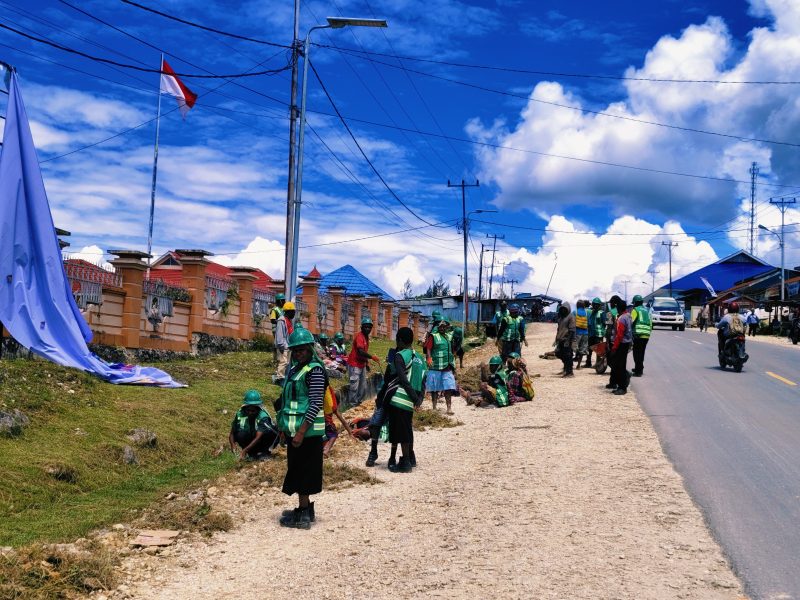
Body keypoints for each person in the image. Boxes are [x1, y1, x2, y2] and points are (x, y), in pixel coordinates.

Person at [276, 328, 327, 529]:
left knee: (304, 473)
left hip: (307, 433)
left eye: (302, 350)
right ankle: (304, 509)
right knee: (297, 470)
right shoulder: (296, 369)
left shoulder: (314, 370)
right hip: (294, 431)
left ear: (310, 349)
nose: (298, 354)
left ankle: (303, 515)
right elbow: (288, 402)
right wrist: (283, 429)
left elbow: (315, 404)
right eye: (295, 351)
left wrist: (300, 432)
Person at [385, 327, 426, 473]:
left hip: (399, 398)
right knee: (407, 429)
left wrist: (414, 398)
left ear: (400, 340)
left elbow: (402, 380)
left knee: (401, 432)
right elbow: (423, 380)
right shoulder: (420, 358)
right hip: (410, 401)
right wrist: (418, 399)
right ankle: (411, 457)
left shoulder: (400, 356)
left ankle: (406, 462)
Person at [229, 390, 279, 460]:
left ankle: (264, 453)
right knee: (240, 434)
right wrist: (233, 445)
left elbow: (258, 438)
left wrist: (245, 451)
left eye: (253, 411)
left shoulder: (263, 417)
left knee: (270, 433)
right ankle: (251, 453)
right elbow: (232, 433)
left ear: (258, 409)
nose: (250, 413)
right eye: (248, 410)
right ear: (245, 407)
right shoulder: (240, 414)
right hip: (251, 437)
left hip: (262, 439)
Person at [424, 317, 457, 414]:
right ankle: (434, 408)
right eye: (440, 326)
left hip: (447, 367)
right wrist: (429, 358)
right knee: (434, 388)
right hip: (435, 366)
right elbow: (428, 349)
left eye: (444, 327)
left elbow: (451, 350)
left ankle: (449, 408)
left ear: (447, 328)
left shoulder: (448, 337)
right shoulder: (433, 336)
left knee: (448, 388)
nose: (442, 328)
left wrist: (453, 365)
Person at [347, 317, 380, 406]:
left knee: (363, 386)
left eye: (369, 327)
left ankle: (359, 401)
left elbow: (364, 352)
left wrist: (366, 363)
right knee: (354, 386)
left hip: (361, 364)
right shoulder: (359, 337)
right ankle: (352, 404)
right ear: (362, 328)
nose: (368, 329)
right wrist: (372, 357)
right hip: (354, 364)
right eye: (366, 327)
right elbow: (360, 351)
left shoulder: (366, 337)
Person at [606, 295, 632, 395]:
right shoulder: (628, 315)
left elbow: (610, 329)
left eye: (611, 303)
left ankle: (621, 384)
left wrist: (609, 342)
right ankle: (614, 382)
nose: (611, 305)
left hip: (616, 341)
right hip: (624, 342)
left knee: (615, 364)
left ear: (615, 305)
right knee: (617, 363)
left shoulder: (612, 313)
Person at [322, 384, 353, 458]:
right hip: (327, 423)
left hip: (317, 424)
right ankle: (326, 450)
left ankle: (323, 448)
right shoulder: (334, 408)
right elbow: (343, 422)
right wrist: (350, 433)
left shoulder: (322, 405)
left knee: (324, 436)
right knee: (334, 435)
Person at [273, 301, 296, 385]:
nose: (294, 313)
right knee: (283, 362)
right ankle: (279, 379)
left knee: (287, 363)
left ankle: (284, 378)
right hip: (283, 346)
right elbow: (279, 335)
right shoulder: (281, 321)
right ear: (288, 312)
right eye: (293, 312)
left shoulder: (289, 321)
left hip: (288, 346)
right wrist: (282, 346)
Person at [630, 295, 652, 377]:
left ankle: (638, 371)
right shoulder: (647, 310)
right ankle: (639, 368)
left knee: (636, 353)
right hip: (646, 335)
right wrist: (648, 332)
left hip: (638, 335)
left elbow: (630, 322)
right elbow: (650, 323)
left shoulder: (635, 310)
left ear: (635, 302)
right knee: (641, 353)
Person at [554, 302, 576, 378]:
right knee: (558, 353)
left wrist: (568, 341)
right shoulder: (560, 318)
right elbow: (558, 329)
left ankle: (570, 372)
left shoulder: (571, 317)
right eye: (562, 309)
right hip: (561, 340)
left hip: (567, 339)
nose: (563, 310)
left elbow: (572, 330)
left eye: (565, 309)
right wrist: (556, 339)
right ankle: (566, 368)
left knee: (568, 355)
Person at [586, 297, 605, 368]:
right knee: (589, 348)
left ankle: (598, 363)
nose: (595, 306)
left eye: (597, 304)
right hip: (591, 334)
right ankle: (588, 363)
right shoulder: (592, 313)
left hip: (599, 334)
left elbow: (604, 323)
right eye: (594, 304)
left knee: (599, 350)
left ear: (599, 305)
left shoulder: (602, 313)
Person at [573, 300, 589, 370]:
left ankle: (570, 364)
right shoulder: (587, 313)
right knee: (582, 350)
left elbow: (571, 323)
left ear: (577, 305)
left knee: (573, 348)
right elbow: (589, 323)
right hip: (585, 333)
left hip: (577, 333)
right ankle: (578, 365)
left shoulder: (574, 312)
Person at [269, 293, 286, 357]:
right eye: (283, 300)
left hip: (283, 328)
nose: (284, 302)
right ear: (280, 301)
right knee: (277, 343)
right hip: (276, 329)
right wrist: (280, 322)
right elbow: (272, 320)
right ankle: (276, 356)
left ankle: (280, 355)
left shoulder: (283, 309)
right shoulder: (275, 309)